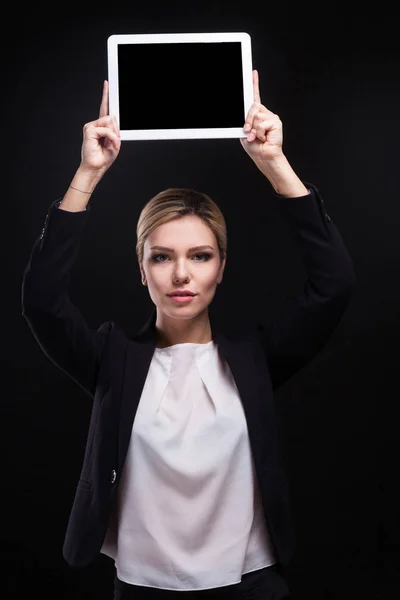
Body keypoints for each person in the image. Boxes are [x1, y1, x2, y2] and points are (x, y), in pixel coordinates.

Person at [21, 71, 355, 600]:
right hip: (142, 586)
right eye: (162, 257)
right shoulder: (114, 360)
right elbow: (41, 300)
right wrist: (88, 172)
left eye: (200, 256)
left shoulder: (253, 359)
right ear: (141, 268)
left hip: (251, 583)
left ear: (220, 267)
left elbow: (334, 285)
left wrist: (274, 164)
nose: (181, 275)